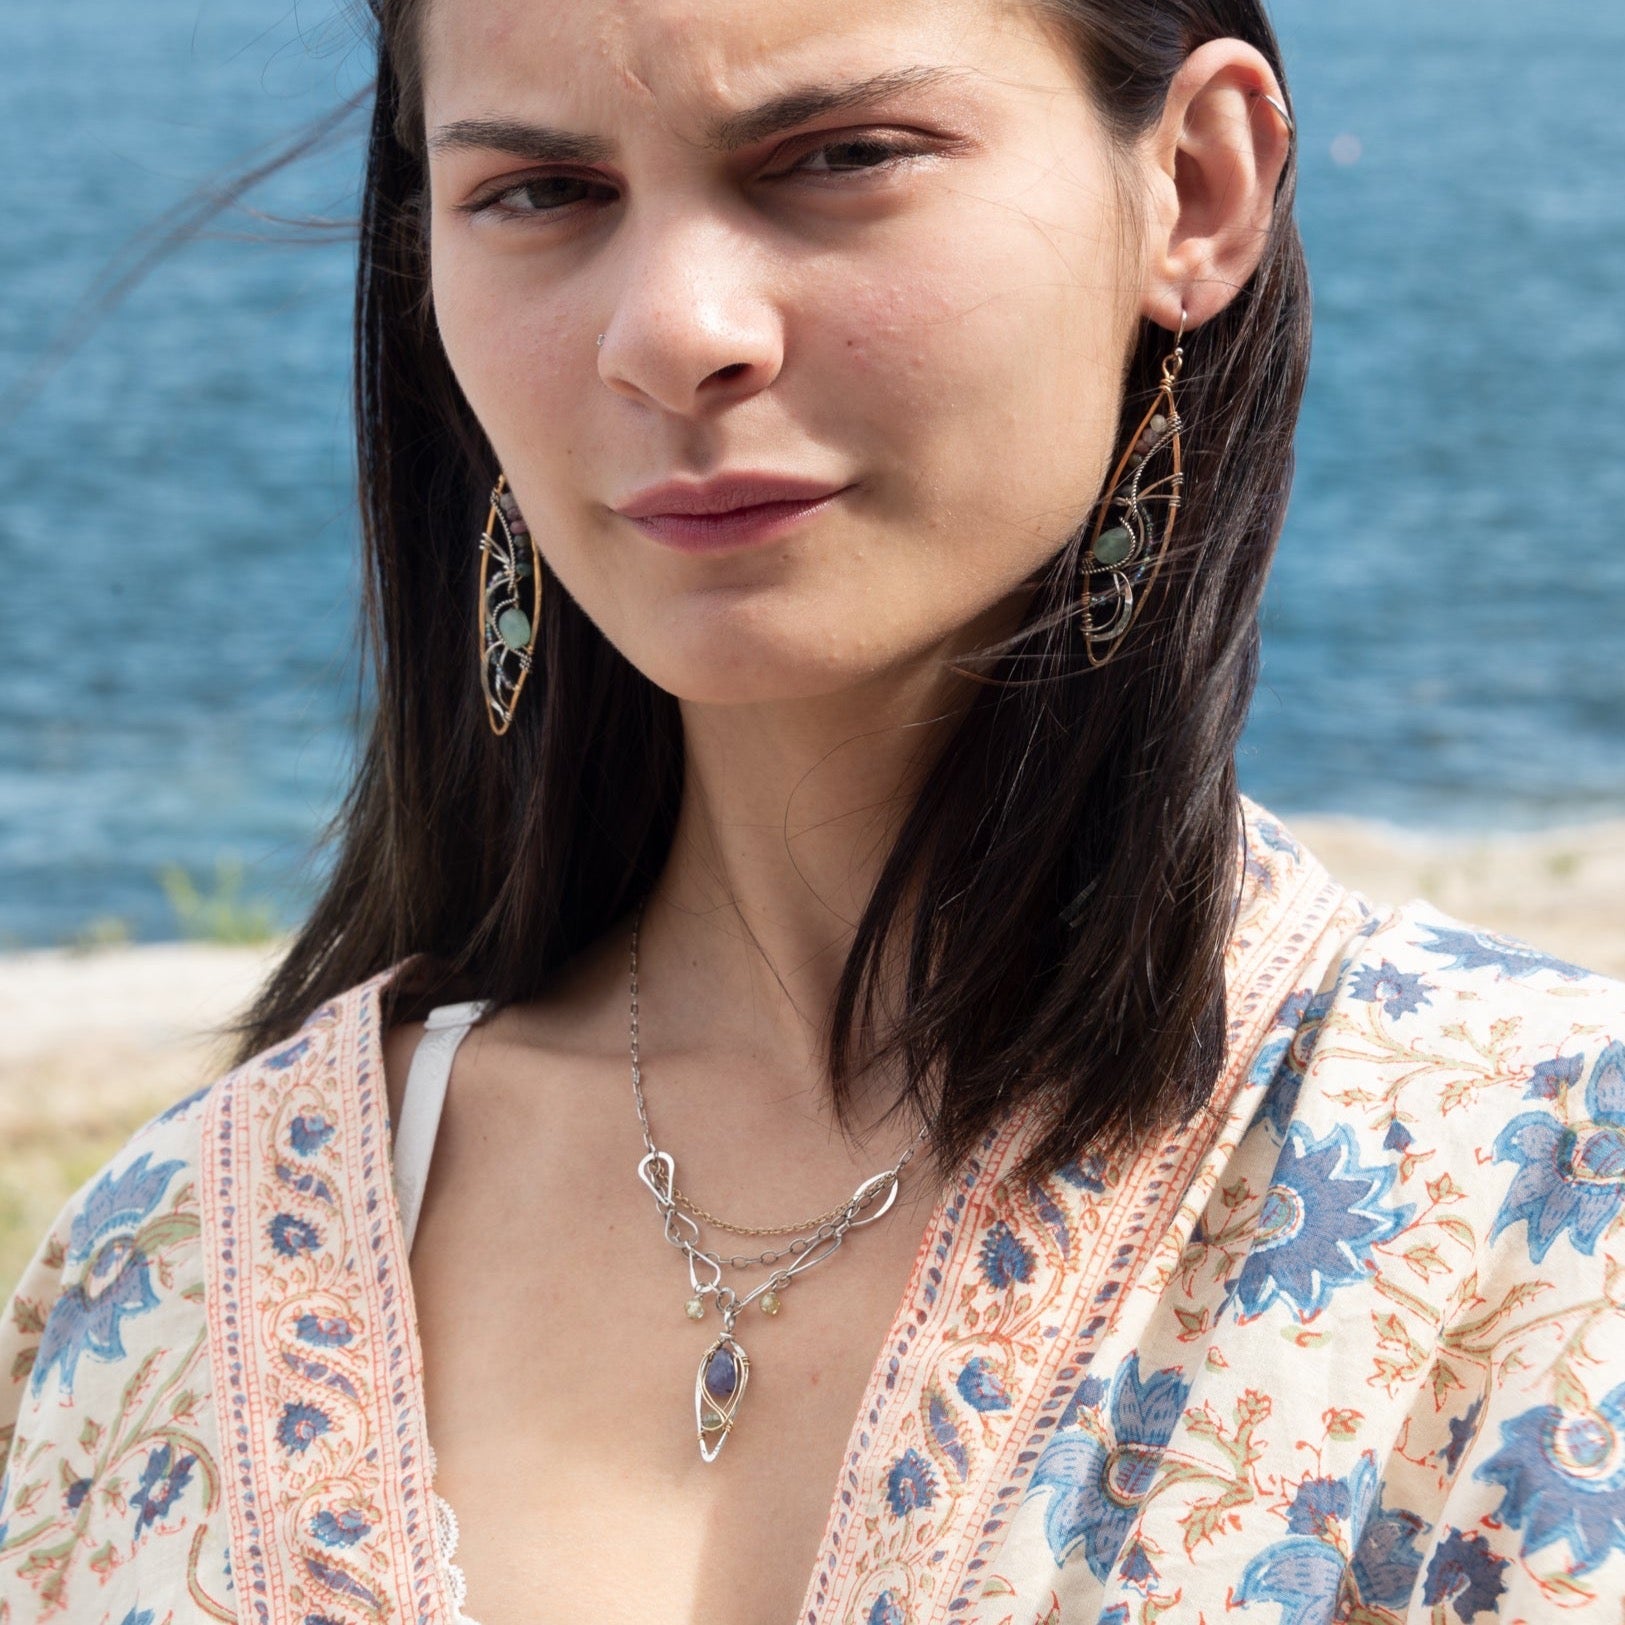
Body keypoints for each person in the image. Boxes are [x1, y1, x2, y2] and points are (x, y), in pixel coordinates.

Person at [4, 0, 1624, 1618]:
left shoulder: (1542, 1207)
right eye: (541, 193)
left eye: (840, 157)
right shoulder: (163, 1273)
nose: (671, 329)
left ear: (1193, 191)